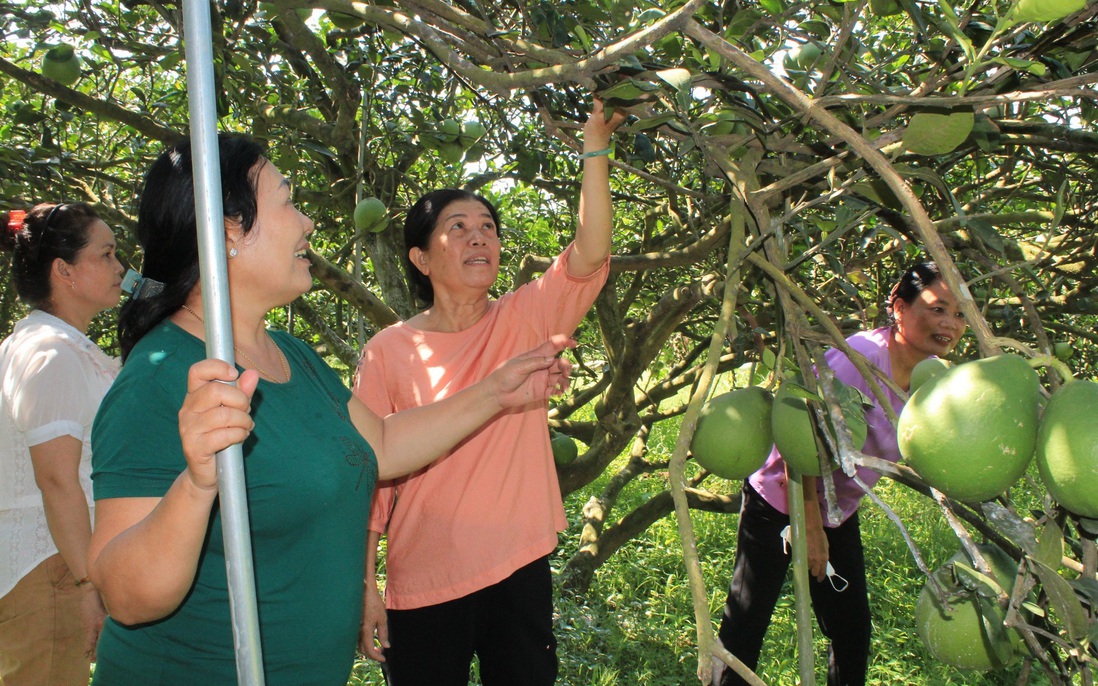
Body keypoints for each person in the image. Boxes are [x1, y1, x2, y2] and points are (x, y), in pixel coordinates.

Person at [86, 134, 573, 685]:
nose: (307, 224)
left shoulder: (290, 354)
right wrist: (198, 485)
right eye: (288, 202)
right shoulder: (160, 376)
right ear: (228, 233)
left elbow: (384, 446)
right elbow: (125, 596)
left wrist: (496, 391)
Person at [354, 99, 625, 685]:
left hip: (518, 566)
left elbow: (591, 252)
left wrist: (595, 149)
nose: (480, 239)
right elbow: (369, 477)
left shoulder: (526, 316)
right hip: (423, 579)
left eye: (488, 229)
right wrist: (364, 586)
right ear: (421, 257)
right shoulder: (388, 351)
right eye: (458, 229)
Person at [715, 262, 967, 686]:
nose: (950, 324)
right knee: (746, 625)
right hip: (782, 494)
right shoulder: (862, 357)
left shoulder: (933, 380)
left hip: (838, 508)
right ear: (899, 308)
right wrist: (809, 524)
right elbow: (801, 427)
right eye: (938, 308)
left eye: (960, 314)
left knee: (851, 631)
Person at [0, 202, 123, 684]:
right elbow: (56, 480)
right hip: (52, 568)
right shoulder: (51, 353)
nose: (119, 269)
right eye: (107, 254)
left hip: (54, 565)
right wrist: (87, 583)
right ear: (64, 271)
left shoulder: (44, 345)